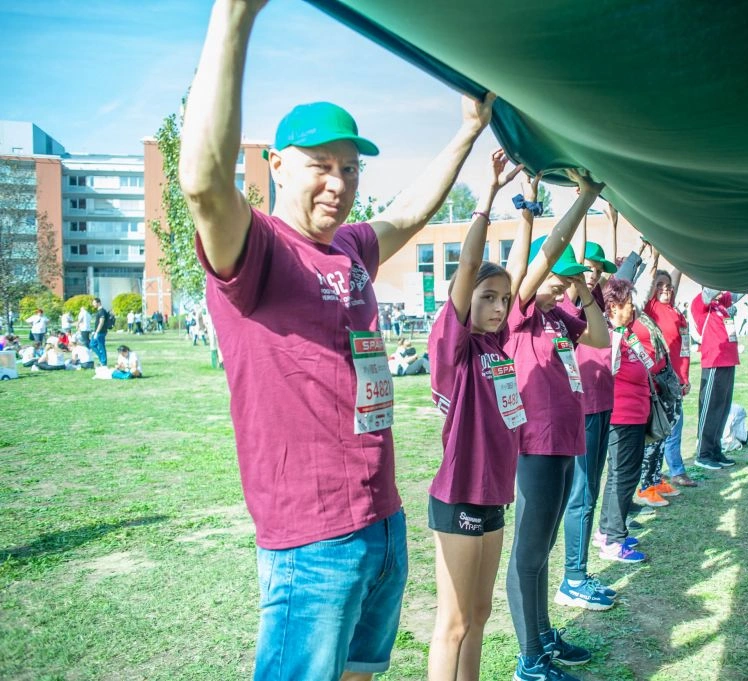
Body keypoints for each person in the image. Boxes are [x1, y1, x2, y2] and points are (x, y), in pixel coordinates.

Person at [178, 1, 495, 678]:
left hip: (382, 517)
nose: (339, 183)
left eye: (350, 169)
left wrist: (469, 131)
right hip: (311, 536)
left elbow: (407, 214)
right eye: (321, 164)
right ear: (276, 166)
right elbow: (204, 188)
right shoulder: (256, 249)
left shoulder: (348, 248)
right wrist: (234, 17)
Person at [503, 170, 610, 681]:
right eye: (557, 277)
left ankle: (544, 635)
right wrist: (583, 200)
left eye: (566, 279)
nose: (561, 282)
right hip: (537, 444)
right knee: (529, 553)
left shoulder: (555, 316)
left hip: (565, 442)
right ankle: (530, 659)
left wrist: (582, 289)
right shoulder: (520, 312)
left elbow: (601, 338)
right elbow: (544, 256)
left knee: (543, 549)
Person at [425, 149, 523, 681]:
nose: (499, 308)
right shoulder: (455, 346)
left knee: (481, 616)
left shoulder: (498, 348)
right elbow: (467, 266)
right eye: (488, 297)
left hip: (493, 496)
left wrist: (529, 215)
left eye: (504, 300)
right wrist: (488, 194)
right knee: (454, 622)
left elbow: (525, 274)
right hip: (459, 494)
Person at [556, 217, 622, 611]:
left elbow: (616, 273)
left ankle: (579, 572)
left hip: (601, 403)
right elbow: (577, 256)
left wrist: (611, 225)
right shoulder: (568, 304)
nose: (593, 275)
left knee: (590, 491)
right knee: (580, 495)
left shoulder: (594, 300)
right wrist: (583, 207)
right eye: (587, 269)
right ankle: (573, 578)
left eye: (597, 270)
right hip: (582, 408)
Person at [594, 275, 652, 563]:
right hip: (622, 415)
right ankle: (614, 541)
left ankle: (607, 531)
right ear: (614, 306)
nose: (633, 308)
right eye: (628, 303)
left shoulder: (626, 333)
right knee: (622, 476)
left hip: (635, 413)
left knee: (622, 476)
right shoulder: (610, 335)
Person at [642, 263, 695, 492]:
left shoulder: (675, 310)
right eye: (660, 286)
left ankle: (661, 475)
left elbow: (682, 350)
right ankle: (658, 478)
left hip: (677, 381)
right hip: (661, 381)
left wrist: (684, 378)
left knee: (673, 427)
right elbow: (651, 285)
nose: (665, 289)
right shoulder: (651, 308)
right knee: (661, 430)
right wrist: (657, 258)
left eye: (668, 286)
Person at [691, 288, 741, 470]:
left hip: (729, 360)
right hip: (714, 361)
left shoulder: (721, 304)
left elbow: (739, 292)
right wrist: (719, 277)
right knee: (710, 408)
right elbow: (709, 292)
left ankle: (715, 449)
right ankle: (703, 454)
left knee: (722, 409)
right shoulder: (701, 304)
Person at [90, 297, 109, 366]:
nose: (93, 304)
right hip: (97, 332)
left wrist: (97, 332)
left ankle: (103, 362)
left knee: (101, 347)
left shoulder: (102, 311)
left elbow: (101, 322)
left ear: (98, 303)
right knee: (92, 345)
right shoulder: (99, 311)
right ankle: (102, 359)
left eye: (94, 303)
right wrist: (94, 331)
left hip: (101, 332)